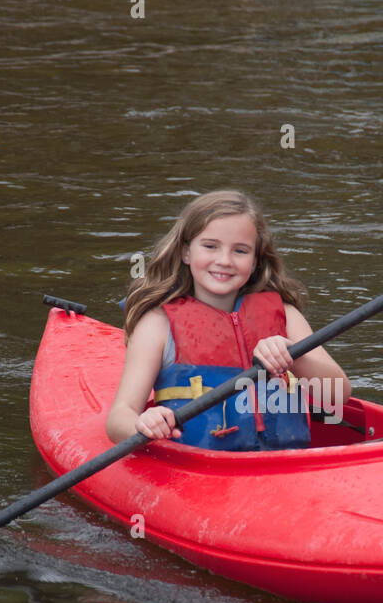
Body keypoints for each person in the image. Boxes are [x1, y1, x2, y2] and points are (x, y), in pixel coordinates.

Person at [106, 190, 350, 449]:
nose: (224, 261)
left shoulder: (286, 315)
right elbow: (118, 418)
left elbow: (338, 395)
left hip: (287, 467)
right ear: (186, 252)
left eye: (240, 251)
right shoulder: (158, 323)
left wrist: (295, 356)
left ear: (256, 261)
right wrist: (143, 423)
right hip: (200, 470)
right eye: (210, 246)